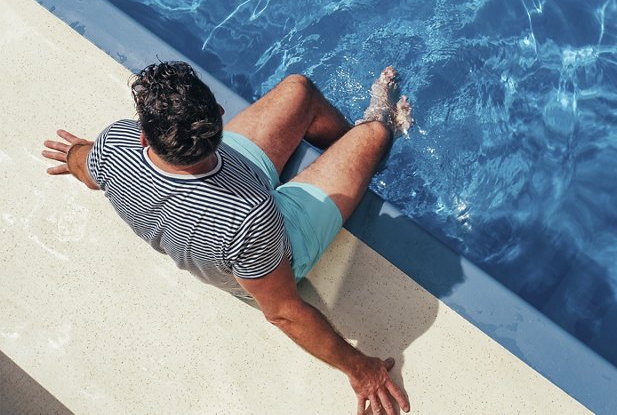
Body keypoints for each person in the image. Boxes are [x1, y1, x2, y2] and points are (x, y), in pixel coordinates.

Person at [42, 61, 412, 414]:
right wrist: (361, 370)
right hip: (275, 246)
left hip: (235, 191)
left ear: (143, 136)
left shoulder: (114, 146)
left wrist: (76, 153)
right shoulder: (250, 219)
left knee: (298, 89)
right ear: (220, 115)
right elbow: (283, 312)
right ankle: (382, 126)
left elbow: (86, 168)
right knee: (376, 133)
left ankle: (351, 145)